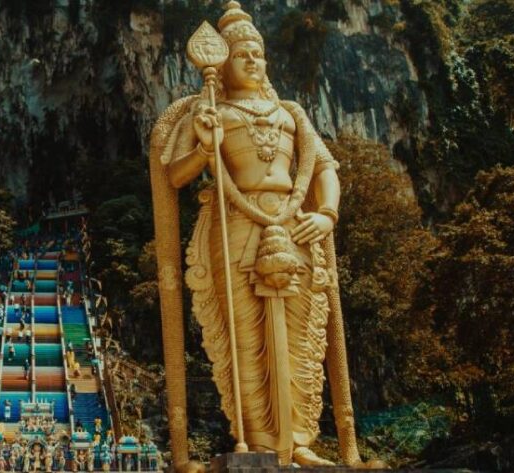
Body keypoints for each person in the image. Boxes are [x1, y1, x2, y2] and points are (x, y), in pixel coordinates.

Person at [148, 2, 360, 467]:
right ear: (221, 62)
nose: (252, 60)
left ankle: (300, 442)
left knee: (302, 334)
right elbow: (174, 176)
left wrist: (326, 213)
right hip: (235, 225)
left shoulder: (291, 113)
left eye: (257, 53)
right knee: (245, 340)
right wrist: (205, 148)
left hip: (294, 224)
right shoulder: (210, 112)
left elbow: (324, 168)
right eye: (241, 53)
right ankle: (262, 443)